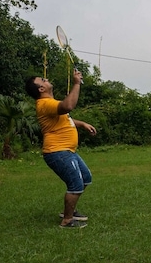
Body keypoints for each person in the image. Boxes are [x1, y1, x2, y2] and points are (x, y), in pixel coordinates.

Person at [25, 69, 97, 227]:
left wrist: (83, 124)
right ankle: (67, 220)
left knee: (86, 178)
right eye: (43, 79)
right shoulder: (45, 104)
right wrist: (77, 83)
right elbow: (69, 105)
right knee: (76, 184)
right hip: (58, 152)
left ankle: (68, 212)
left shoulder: (51, 104)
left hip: (67, 151)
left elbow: (66, 119)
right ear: (41, 89)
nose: (47, 79)